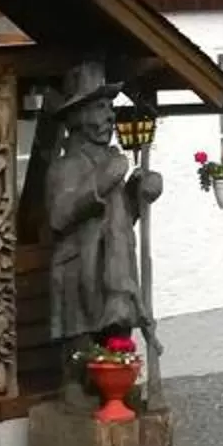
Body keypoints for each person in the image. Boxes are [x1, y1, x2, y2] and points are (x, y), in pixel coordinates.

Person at [47, 86, 161, 346]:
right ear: (77, 117)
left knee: (119, 356)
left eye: (110, 108)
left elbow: (120, 218)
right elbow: (58, 216)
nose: (110, 116)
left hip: (117, 282)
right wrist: (103, 181)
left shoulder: (111, 161)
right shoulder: (66, 166)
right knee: (80, 365)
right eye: (100, 107)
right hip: (79, 277)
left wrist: (137, 192)